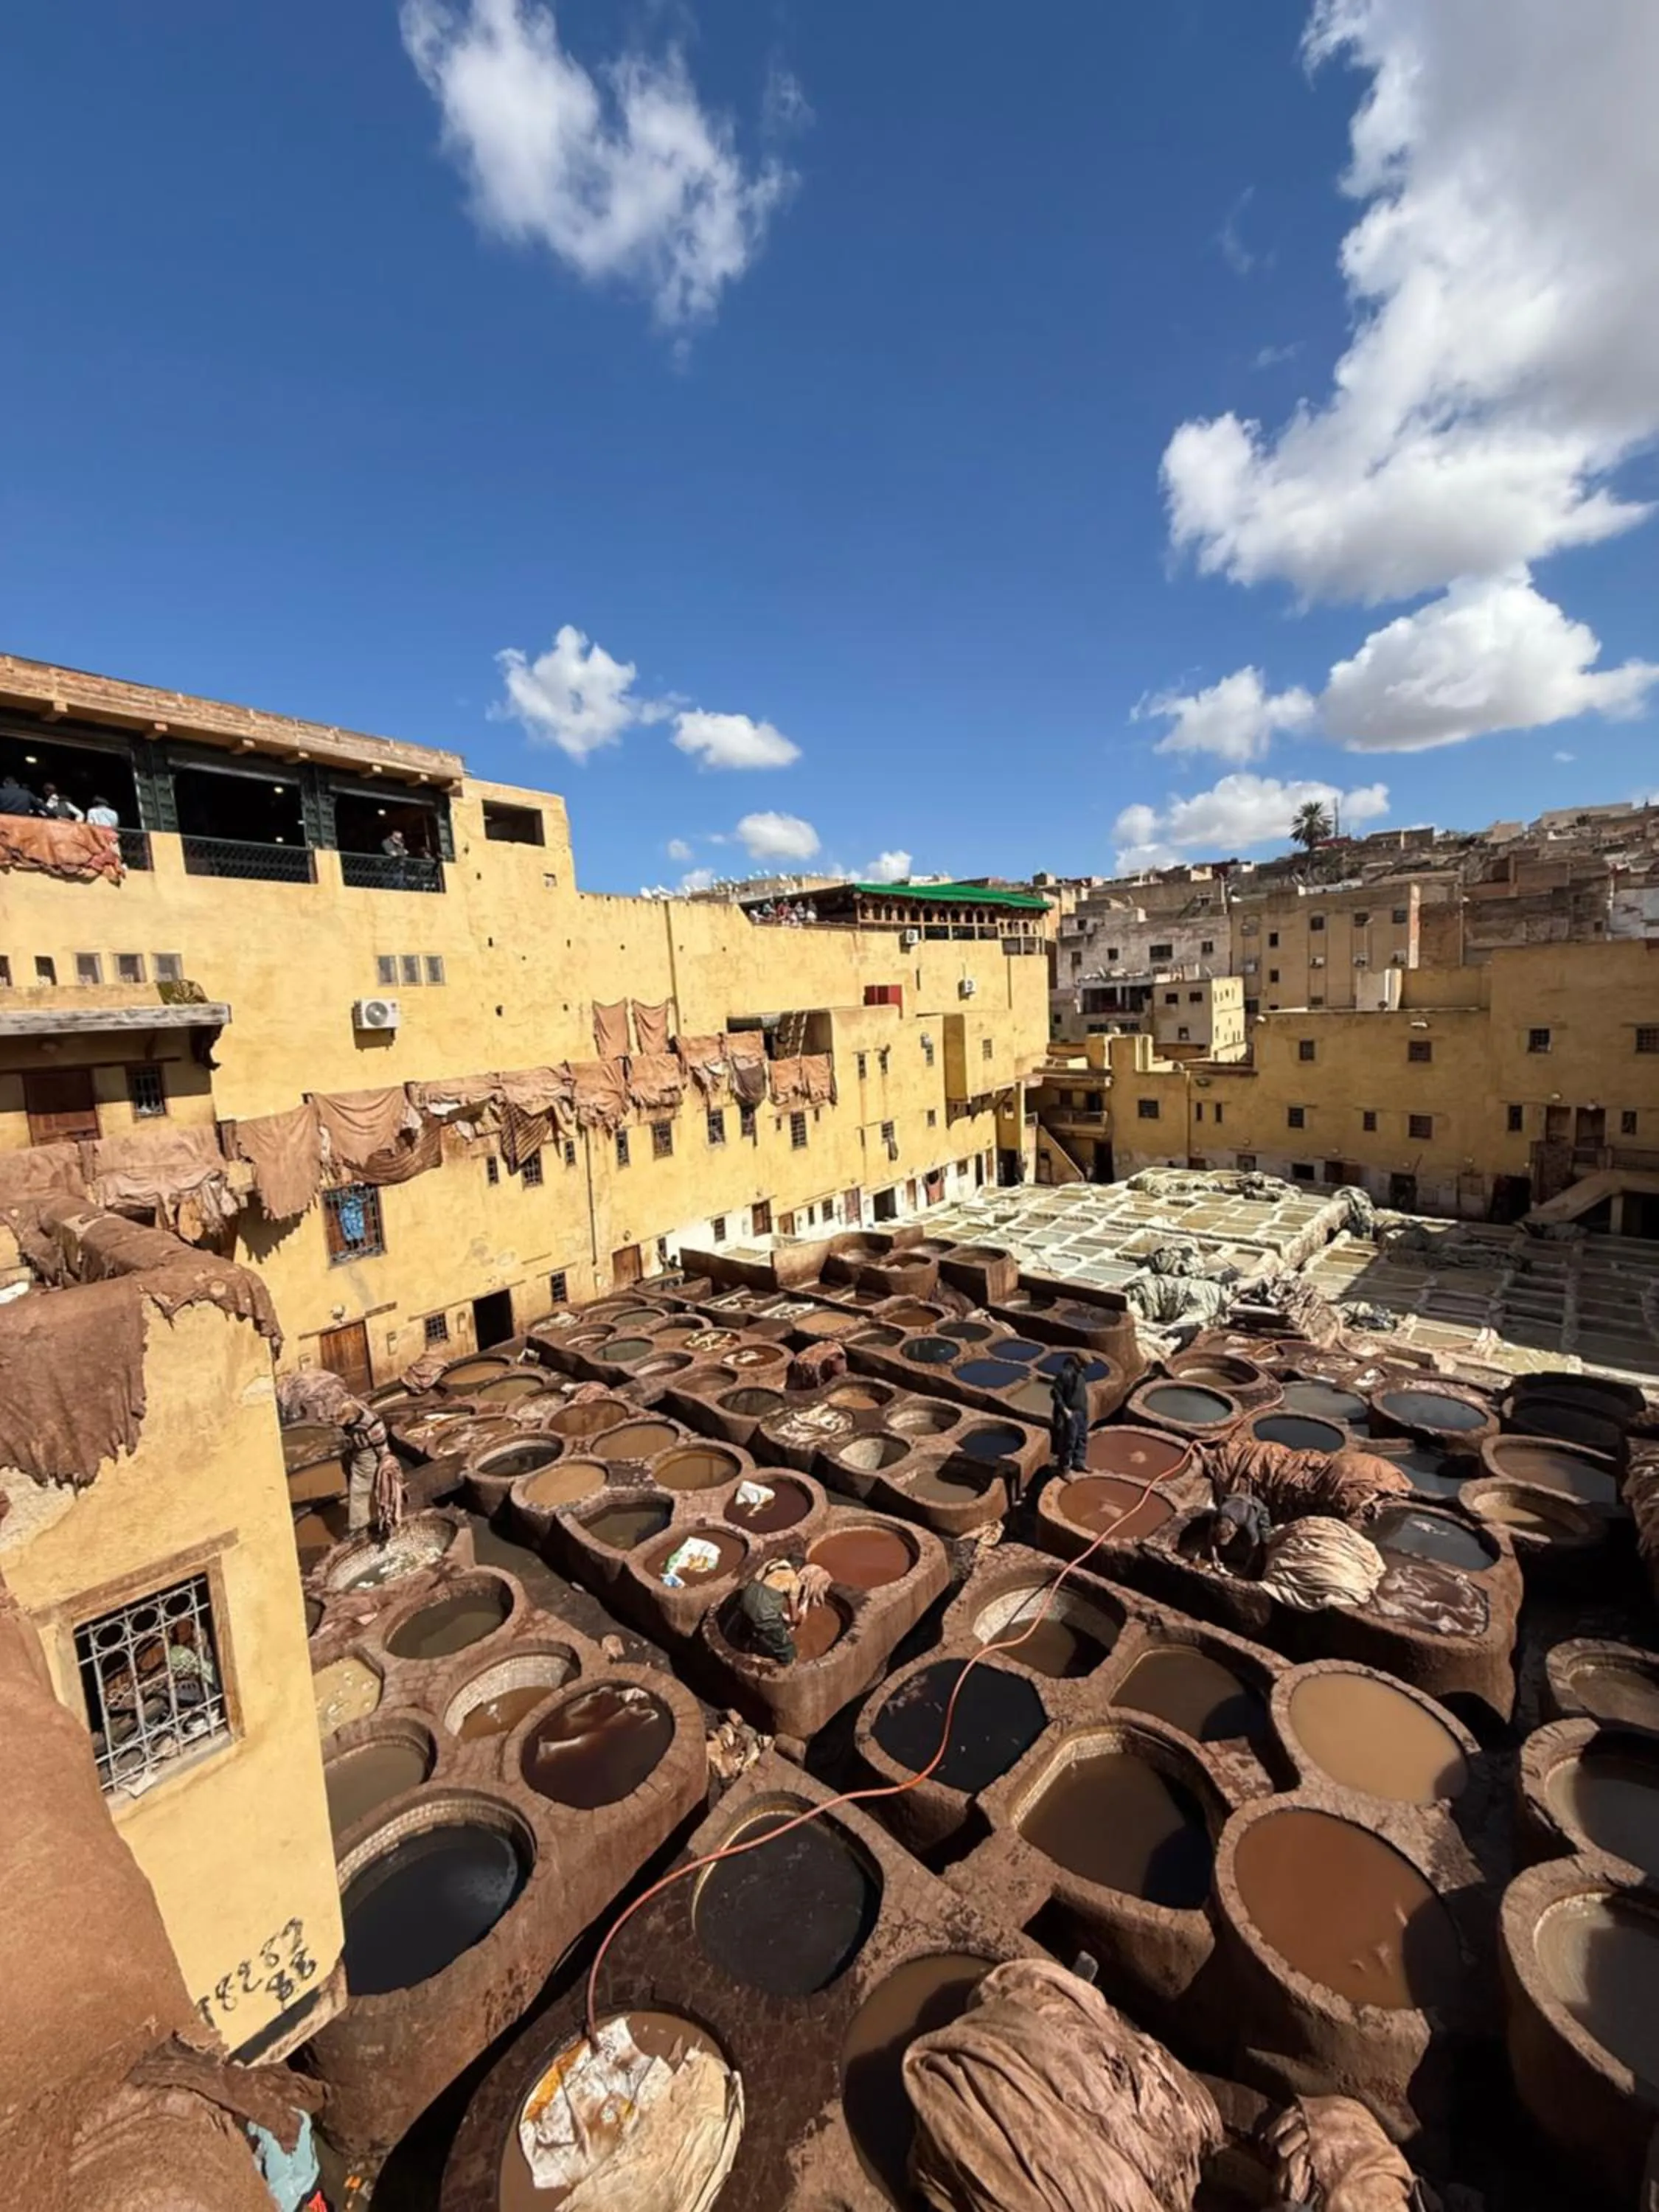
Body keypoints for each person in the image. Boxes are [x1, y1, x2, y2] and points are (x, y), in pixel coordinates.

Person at [341, 1400, 405, 1536]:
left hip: (370, 1458)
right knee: (360, 1493)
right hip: (357, 1453)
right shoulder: (349, 1408)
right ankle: (363, 1524)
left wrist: (386, 1466)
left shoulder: (372, 1425)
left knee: (364, 1492)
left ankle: (363, 1527)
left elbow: (383, 1449)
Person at [1048, 1351, 1091, 1473]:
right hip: (1071, 1412)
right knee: (1069, 1441)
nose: (1085, 1368)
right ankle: (1064, 1468)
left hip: (1081, 1412)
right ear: (1077, 1362)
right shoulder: (1065, 1374)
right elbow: (1055, 1393)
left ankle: (1079, 1462)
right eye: (1084, 1365)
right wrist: (1064, 1410)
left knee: (1081, 1438)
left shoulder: (1079, 1375)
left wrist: (1085, 1411)